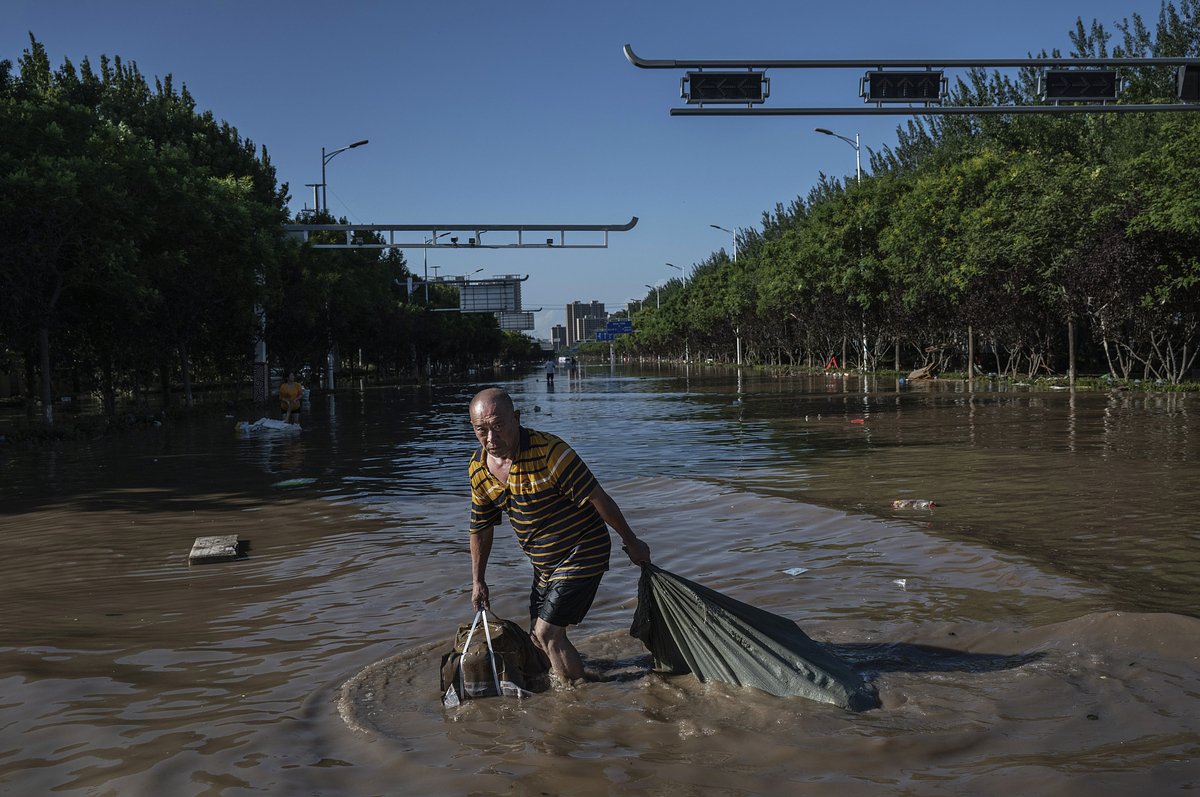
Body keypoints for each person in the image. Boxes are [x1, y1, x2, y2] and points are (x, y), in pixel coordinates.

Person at [467, 387, 650, 683]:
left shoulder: (550, 452)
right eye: (481, 430)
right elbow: (481, 527)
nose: (491, 438)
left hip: (583, 549)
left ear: (516, 419)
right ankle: (578, 678)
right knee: (536, 639)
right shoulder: (478, 468)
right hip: (544, 563)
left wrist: (632, 542)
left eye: (499, 426)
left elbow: (597, 498)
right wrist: (478, 581)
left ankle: (573, 702)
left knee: (547, 632)